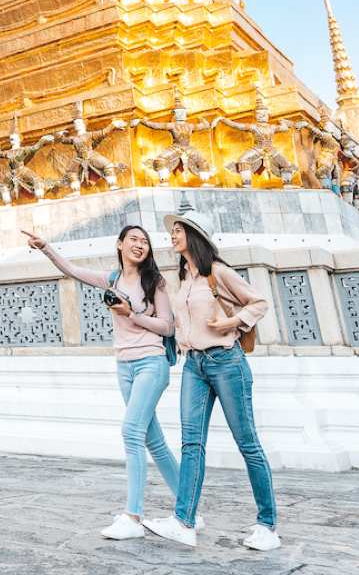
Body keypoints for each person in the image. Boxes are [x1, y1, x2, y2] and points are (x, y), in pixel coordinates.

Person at [21, 224, 192, 540]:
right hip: (124, 365)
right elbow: (72, 270)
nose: (139, 245)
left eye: (144, 241)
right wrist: (45, 247)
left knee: (131, 432)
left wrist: (131, 314)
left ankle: (133, 516)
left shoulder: (154, 281)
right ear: (120, 244)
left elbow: (167, 327)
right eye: (133, 240)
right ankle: (190, 509)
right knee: (152, 440)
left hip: (150, 363)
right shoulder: (112, 279)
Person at [142, 201, 280, 552]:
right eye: (172, 231)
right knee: (192, 444)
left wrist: (232, 322)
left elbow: (258, 302)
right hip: (194, 366)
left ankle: (267, 524)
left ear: (195, 236)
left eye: (178, 230)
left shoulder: (217, 272)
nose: (172, 236)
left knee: (247, 443)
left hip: (226, 362)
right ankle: (184, 520)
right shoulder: (183, 279)